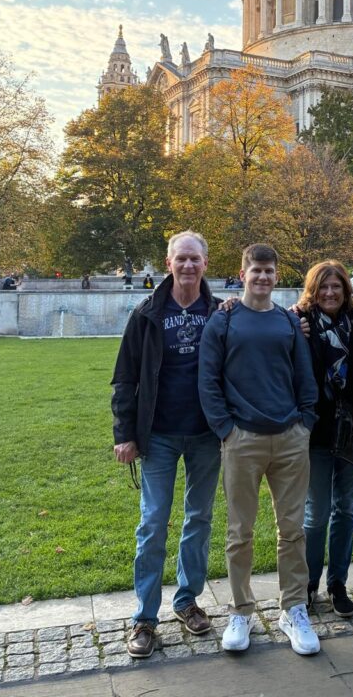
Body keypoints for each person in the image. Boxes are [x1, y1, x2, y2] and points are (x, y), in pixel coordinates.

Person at [199, 243, 320, 657]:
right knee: (240, 532)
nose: (264, 278)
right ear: (243, 272)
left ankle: (294, 608)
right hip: (242, 440)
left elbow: (304, 374)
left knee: (292, 531)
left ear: (275, 274)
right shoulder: (224, 320)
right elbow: (208, 380)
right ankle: (241, 610)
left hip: (289, 437)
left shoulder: (288, 321)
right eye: (257, 271)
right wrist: (226, 430)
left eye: (270, 271)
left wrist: (305, 422)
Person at [111, 231, 222, 659]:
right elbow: (125, 378)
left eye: (195, 259)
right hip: (156, 435)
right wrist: (125, 433)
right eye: (181, 259)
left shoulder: (220, 312)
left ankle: (187, 600)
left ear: (205, 263)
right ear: (168, 262)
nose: (188, 266)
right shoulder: (146, 314)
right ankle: (144, 616)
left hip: (205, 435)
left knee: (199, 518)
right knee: (153, 523)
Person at [296, 261, 353, 619]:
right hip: (316, 430)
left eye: (336, 287)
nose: (330, 293)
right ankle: (308, 583)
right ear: (313, 289)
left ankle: (337, 582)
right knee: (316, 513)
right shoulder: (302, 324)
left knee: (346, 509)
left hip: (352, 428)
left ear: (346, 290)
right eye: (323, 287)